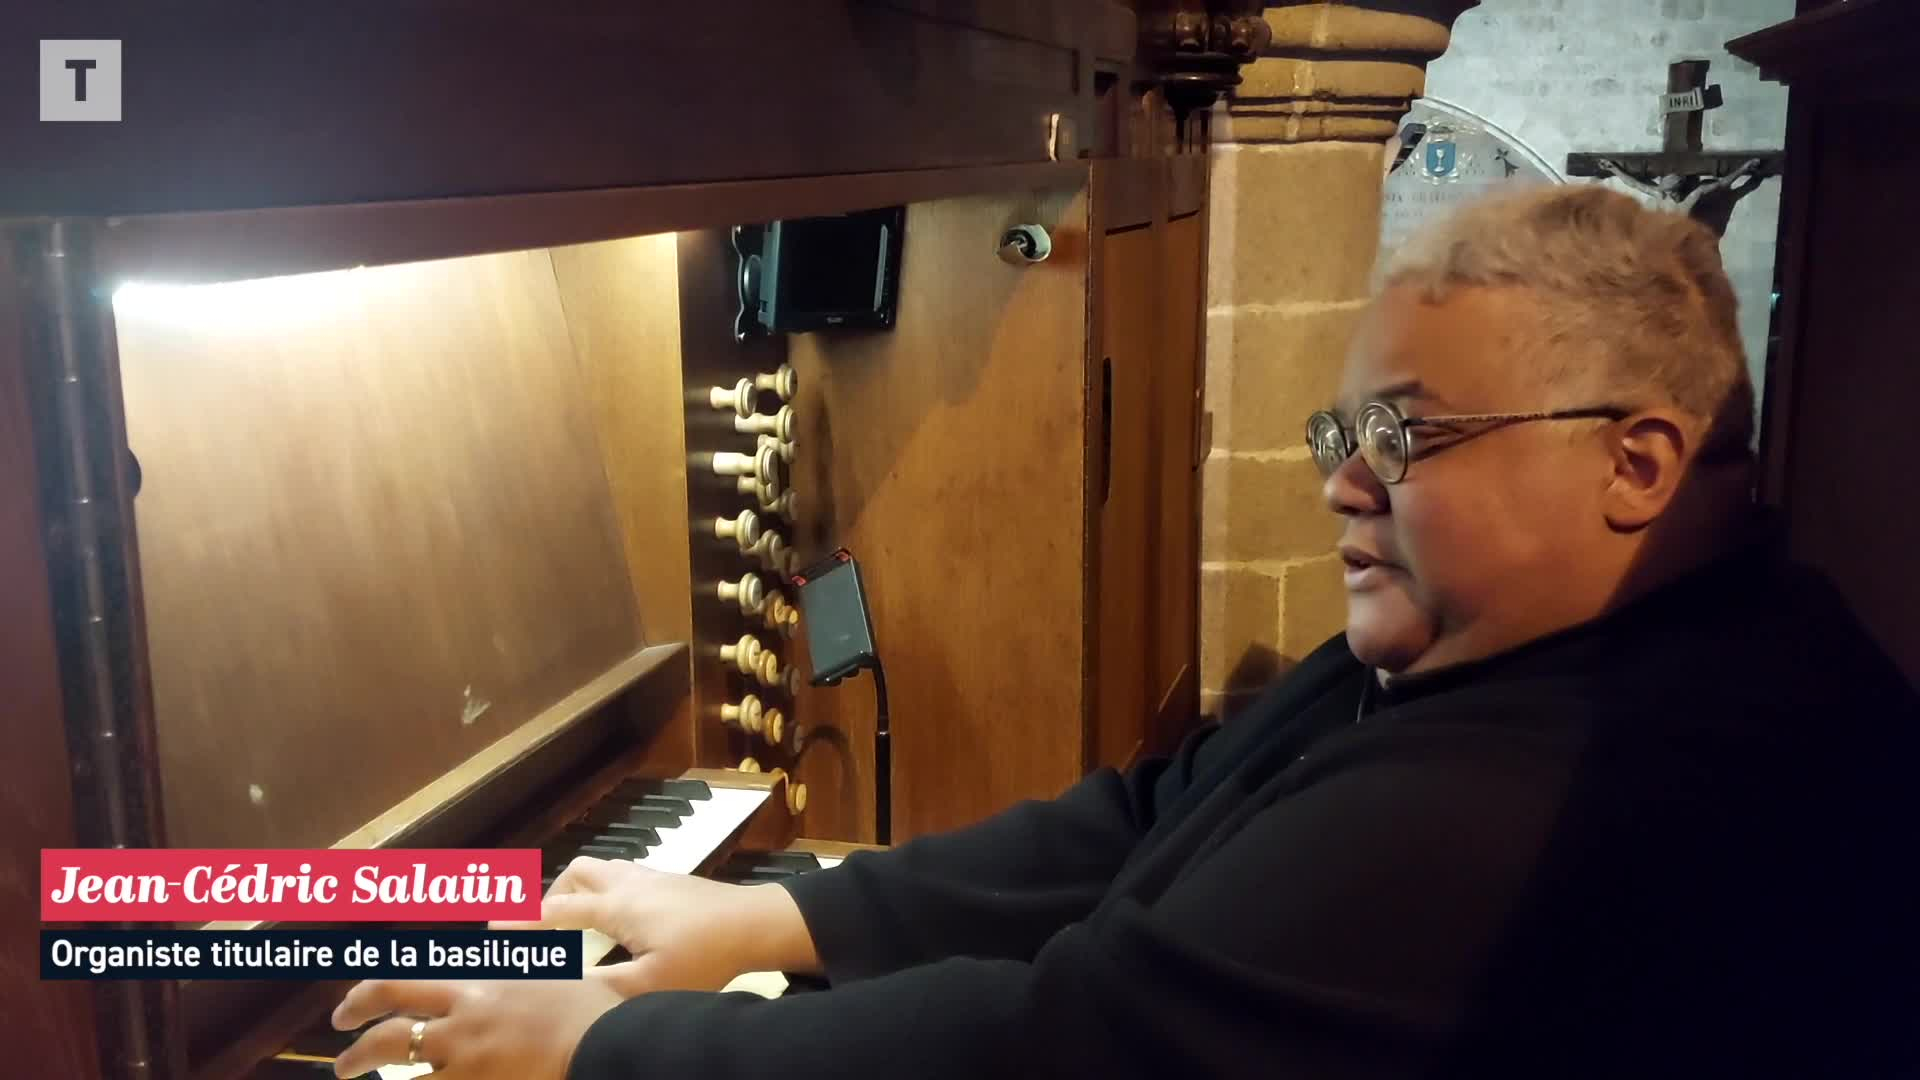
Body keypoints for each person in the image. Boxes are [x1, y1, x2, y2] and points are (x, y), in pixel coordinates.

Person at [329, 185, 1919, 1079]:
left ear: (1636, 462)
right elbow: (1155, 813)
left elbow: (1070, 1052)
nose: (1345, 488)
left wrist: (596, 1053)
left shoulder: (1586, 778)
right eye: (1341, 431)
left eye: (1410, 437)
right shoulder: (1493, 654)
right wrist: (784, 920)